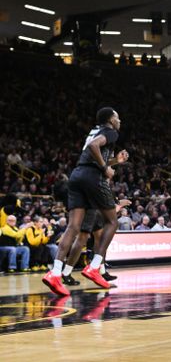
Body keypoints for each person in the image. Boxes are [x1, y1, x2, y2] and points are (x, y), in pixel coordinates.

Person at [43, 108, 129, 295]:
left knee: (73, 227)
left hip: (77, 176)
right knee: (112, 221)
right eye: (117, 117)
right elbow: (94, 148)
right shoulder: (110, 131)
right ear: (110, 120)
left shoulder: (94, 131)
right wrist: (106, 167)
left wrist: (114, 161)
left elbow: (91, 154)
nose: (119, 120)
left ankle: (55, 272)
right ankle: (95, 266)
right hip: (92, 178)